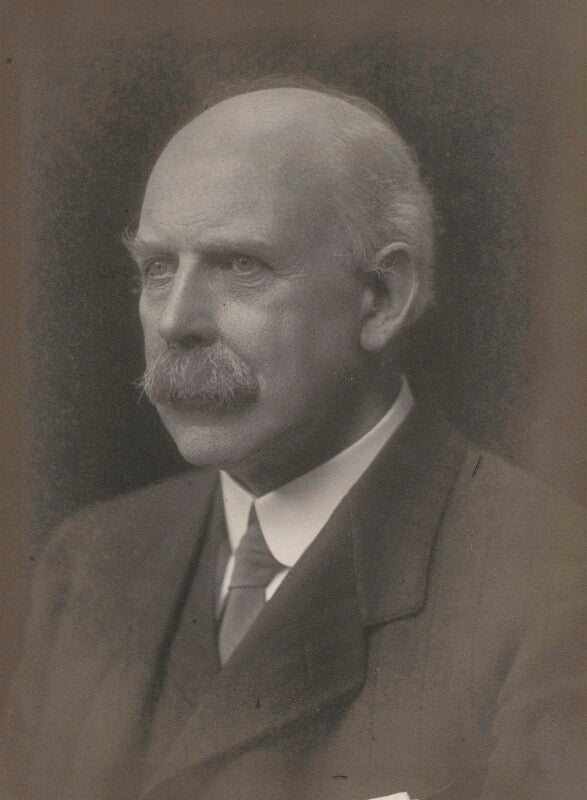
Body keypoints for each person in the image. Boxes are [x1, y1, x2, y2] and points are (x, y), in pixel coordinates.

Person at [2, 85, 584, 800]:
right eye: (158, 268)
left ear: (382, 297)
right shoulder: (86, 566)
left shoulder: (551, 594)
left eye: (240, 265)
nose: (176, 321)